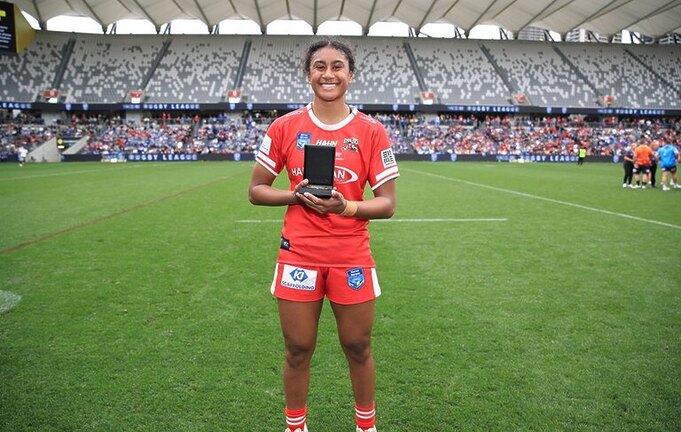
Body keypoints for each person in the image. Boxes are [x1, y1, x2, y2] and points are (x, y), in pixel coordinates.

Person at [248, 38, 399, 432]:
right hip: (298, 253)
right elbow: (256, 190)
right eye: (319, 66)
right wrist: (293, 196)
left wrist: (345, 207)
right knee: (298, 349)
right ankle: (295, 427)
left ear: (350, 74)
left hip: (351, 254)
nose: (328, 74)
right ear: (308, 73)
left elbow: (387, 204)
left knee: (358, 346)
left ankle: (366, 426)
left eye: (337, 66)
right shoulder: (284, 127)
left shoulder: (371, 131)